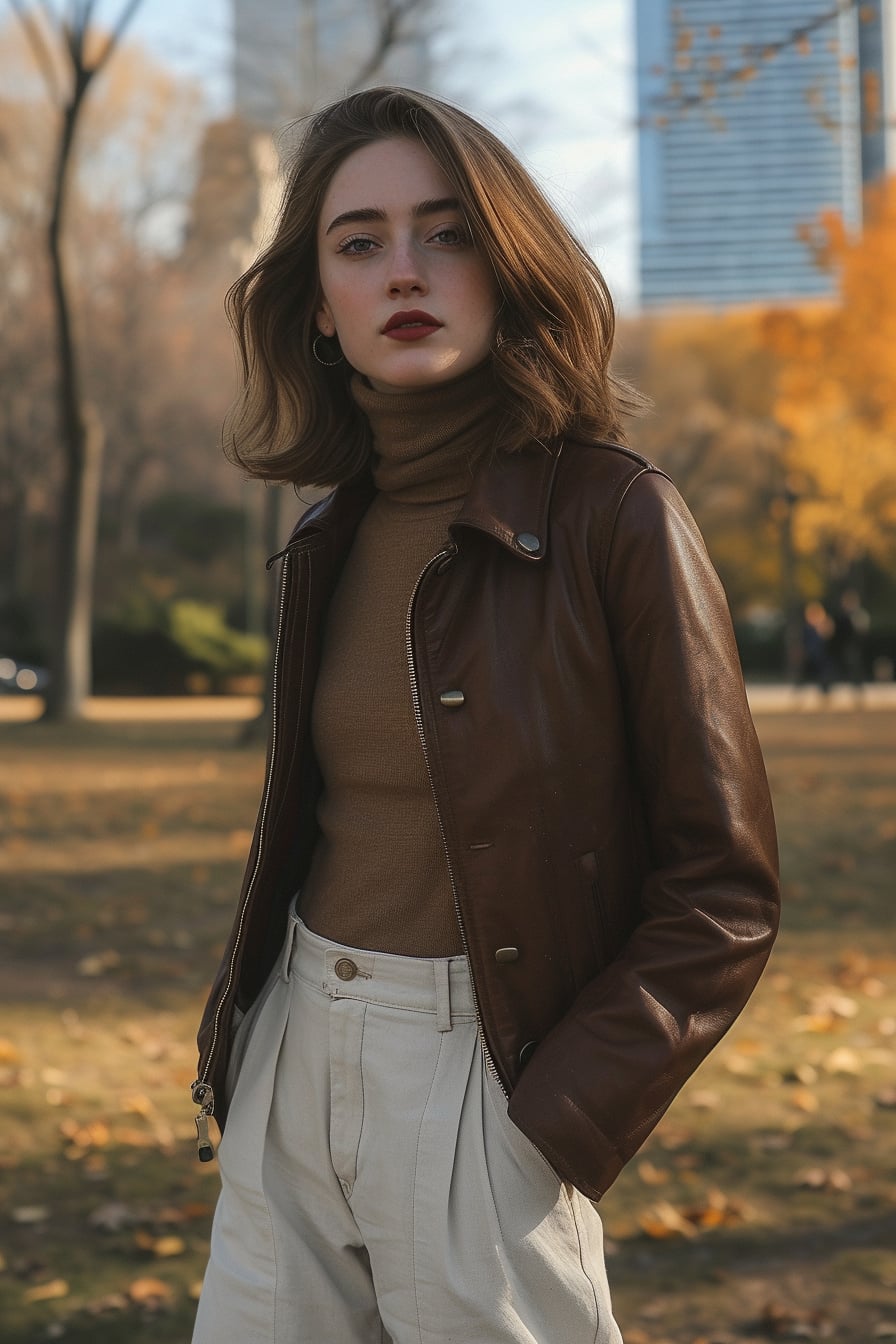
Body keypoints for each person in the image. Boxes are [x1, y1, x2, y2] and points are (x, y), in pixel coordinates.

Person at [191, 86, 780, 1344]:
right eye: (359, 242)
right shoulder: (324, 534)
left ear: (507, 267)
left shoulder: (616, 517)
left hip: (479, 1080)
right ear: (316, 305)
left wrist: (554, 1121)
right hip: (291, 1054)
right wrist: (255, 1051)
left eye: (444, 233)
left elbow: (721, 890)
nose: (402, 269)